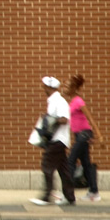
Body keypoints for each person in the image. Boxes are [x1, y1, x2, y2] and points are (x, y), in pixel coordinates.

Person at [30, 76, 76, 206]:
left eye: (45, 86)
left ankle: (46, 196)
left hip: (58, 140)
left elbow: (64, 119)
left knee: (47, 165)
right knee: (63, 170)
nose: (43, 88)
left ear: (50, 87)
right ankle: (70, 197)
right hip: (58, 140)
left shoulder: (59, 101)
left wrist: (50, 120)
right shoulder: (53, 101)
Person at [65, 74, 103, 201]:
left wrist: (99, 136)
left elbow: (90, 118)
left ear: (74, 88)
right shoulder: (72, 102)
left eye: (67, 85)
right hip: (80, 135)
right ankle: (94, 192)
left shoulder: (79, 101)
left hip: (84, 134)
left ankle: (67, 193)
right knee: (86, 164)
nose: (65, 88)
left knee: (70, 161)